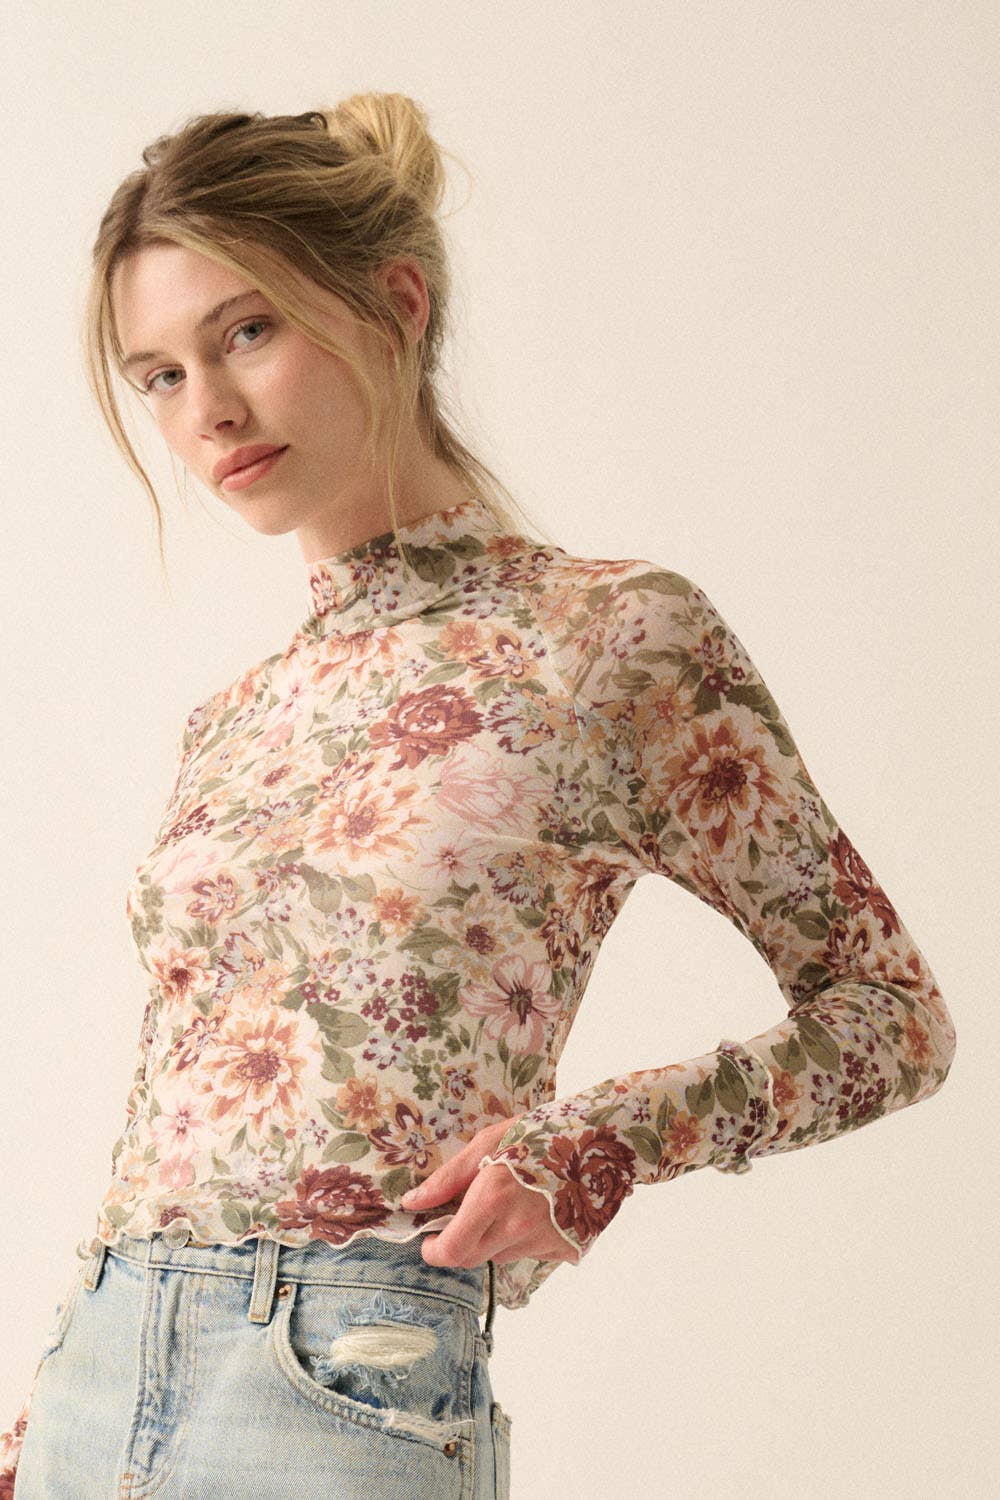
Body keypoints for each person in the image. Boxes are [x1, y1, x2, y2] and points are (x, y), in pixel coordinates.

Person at [0, 93, 956, 1497]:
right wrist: (45, 1414)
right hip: (97, 1373)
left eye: (246, 331)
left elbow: (892, 1015)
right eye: (158, 374)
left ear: (396, 304)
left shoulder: (612, 638)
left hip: (341, 1379)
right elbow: (174, 1102)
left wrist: (597, 1141)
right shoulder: (235, 719)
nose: (207, 411)